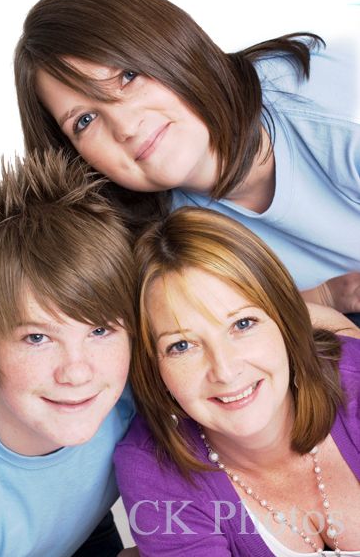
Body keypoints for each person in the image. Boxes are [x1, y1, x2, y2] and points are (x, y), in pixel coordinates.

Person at [13, 0, 360, 321]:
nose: (126, 126)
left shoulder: (330, 101)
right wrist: (323, 297)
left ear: (172, 48)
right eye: (85, 121)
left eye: (128, 77)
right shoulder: (159, 240)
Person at [114, 206, 360, 556]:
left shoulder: (355, 380)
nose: (225, 371)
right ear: (153, 367)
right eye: (181, 345)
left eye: (242, 324)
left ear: (284, 319)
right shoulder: (152, 469)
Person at [0, 150, 138, 556]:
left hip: (76, 532)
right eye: (37, 338)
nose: (77, 372)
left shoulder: (134, 391)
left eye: (99, 330)